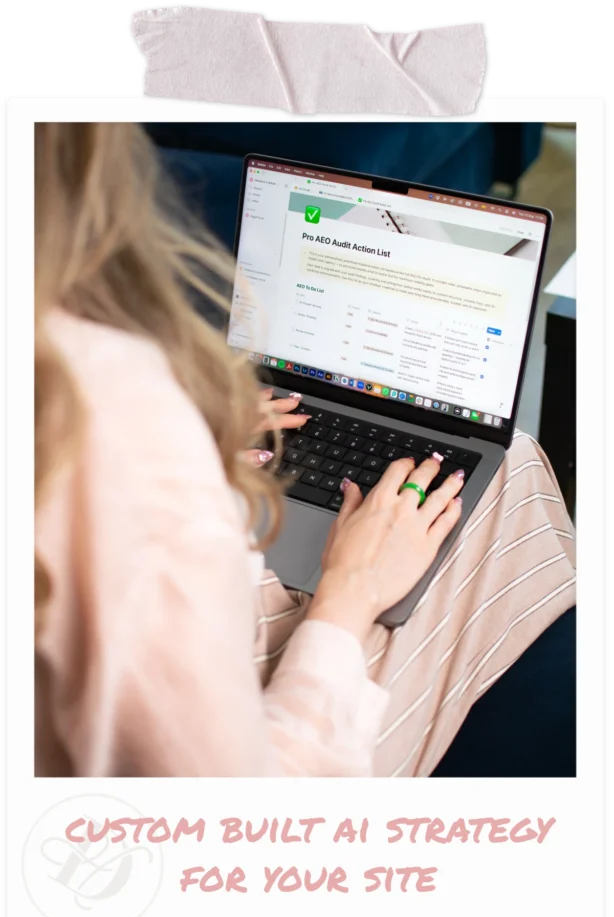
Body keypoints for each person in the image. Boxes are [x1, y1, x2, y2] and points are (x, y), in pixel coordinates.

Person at [35, 123, 576, 777]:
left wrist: (205, 445)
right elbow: (238, 808)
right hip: (272, 745)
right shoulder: (116, 406)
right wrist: (350, 591)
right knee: (510, 467)